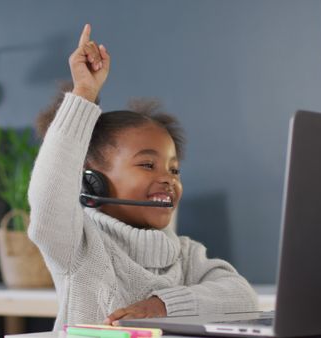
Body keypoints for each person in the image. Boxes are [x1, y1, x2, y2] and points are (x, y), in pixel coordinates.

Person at [28, 24, 258, 330]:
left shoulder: (186, 254)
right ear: (91, 181)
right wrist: (84, 93)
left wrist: (161, 306)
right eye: (148, 165)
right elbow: (50, 193)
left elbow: (243, 297)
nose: (168, 179)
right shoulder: (77, 245)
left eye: (174, 169)